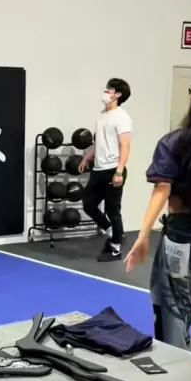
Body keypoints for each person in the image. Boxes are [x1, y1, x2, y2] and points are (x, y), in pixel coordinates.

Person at [125, 74, 191, 356]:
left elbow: (161, 190)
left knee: (174, 305)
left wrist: (143, 235)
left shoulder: (174, 143)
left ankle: (176, 366)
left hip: (182, 238)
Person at [80, 78, 132, 261]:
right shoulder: (102, 115)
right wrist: (88, 156)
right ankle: (111, 230)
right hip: (98, 169)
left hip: (113, 169)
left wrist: (119, 172)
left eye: (110, 89)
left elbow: (125, 146)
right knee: (88, 204)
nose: (106, 91)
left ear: (118, 94)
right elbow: (99, 141)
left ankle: (116, 248)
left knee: (113, 210)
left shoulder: (122, 117)